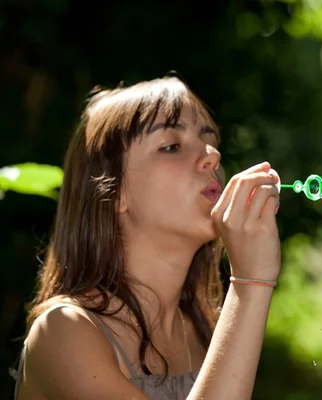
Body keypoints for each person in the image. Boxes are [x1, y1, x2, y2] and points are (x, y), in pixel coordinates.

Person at [10, 74, 282, 400]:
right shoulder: (65, 331)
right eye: (171, 146)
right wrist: (251, 282)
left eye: (210, 140)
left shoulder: (205, 329)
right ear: (113, 195)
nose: (212, 155)